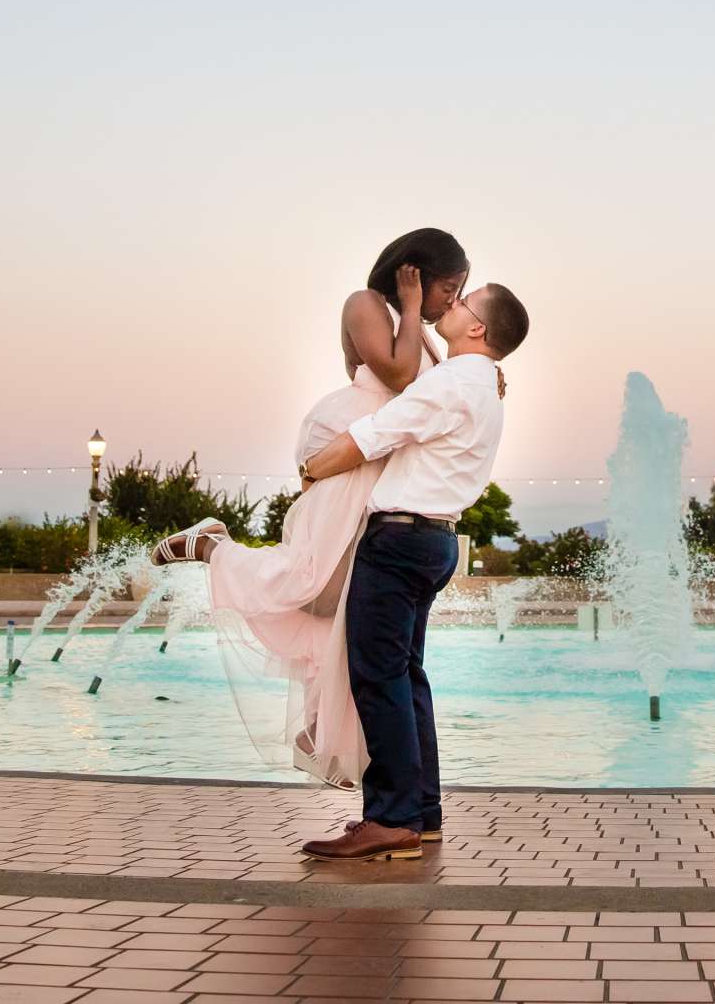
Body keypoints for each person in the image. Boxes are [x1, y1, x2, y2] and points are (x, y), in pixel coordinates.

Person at [148, 229, 469, 791]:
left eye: (458, 291)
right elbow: (396, 376)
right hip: (353, 443)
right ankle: (212, 545)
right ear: (411, 273)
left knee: (341, 603)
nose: (450, 299)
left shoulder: (426, 334)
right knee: (309, 578)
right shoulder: (367, 304)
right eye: (447, 286)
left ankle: (323, 726)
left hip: (382, 457)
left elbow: (430, 395)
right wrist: (413, 305)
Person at [293, 279, 529, 861]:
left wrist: (312, 469)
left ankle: (392, 819)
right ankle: (421, 814)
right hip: (433, 541)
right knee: (406, 679)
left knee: (378, 679)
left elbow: (374, 436)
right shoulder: (480, 384)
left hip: (398, 540)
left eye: (464, 303)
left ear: (478, 328)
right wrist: (418, 314)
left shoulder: (454, 382)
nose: (452, 304)